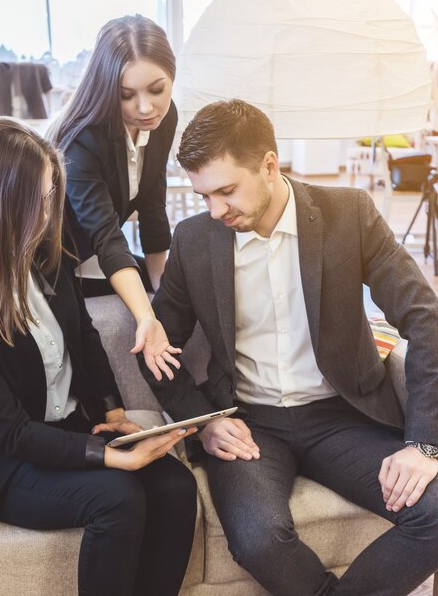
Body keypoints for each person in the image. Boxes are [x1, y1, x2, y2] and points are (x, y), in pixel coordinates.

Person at [140, 99, 438, 596]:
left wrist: (425, 445)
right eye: (204, 195)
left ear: (270, 165)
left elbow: (426, 320)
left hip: (343, 415)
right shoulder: (194, 240)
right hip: (250, 425)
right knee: (259, 540)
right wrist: (205, 421)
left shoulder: (350, 214)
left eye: (227, 191)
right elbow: (159, 349)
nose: (215, 210)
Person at [0, 117, 197, 596]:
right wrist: (111, 460)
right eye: (37, 197)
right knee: (117, 498)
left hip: (69, 427)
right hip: (1, 459)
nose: (50, 208)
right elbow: (10, 433)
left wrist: (114, 413)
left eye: (52, 192)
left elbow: (87, 342)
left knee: (178, 487)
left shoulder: (50, 256)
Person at [48, 14, 179, 382]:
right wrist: (146, 317)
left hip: (101, 255)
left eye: (157, 89)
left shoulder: (163, 121)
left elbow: (154, 207)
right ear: (107, 89)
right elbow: (106, 236)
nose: (145, 108)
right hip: (60, 264)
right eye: (127, 95)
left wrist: (161, 291)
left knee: (182, 288)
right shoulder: (82, 139)